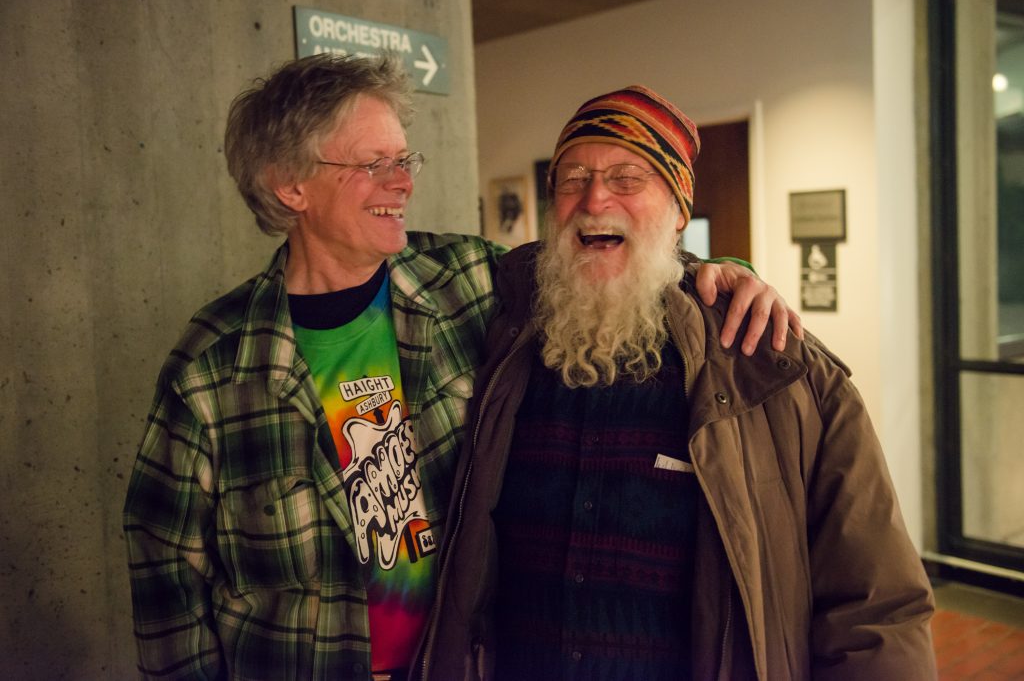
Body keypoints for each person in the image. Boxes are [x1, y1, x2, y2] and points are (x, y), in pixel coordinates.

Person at [122, 55, 800, 681]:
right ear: (291, 185)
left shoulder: (466, 282)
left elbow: (608, 258)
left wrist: (724, 275)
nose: (404, 181)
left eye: (403, 158)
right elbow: (166, 582)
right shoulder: (214, 367)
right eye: (374, 163)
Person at [420, 85, 937, 681]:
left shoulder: (778, 369)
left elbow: (878, 608)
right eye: (572, 178)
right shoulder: (498, 336)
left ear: (679, 212)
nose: (594, 198)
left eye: (627, 178)